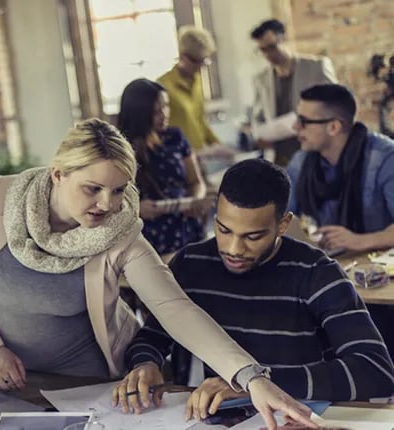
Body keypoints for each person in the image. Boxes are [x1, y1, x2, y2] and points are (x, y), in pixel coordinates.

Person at [0, 118, 316, 429]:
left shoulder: (121, 234)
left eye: (119, 189)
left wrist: (251, 377)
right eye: (93, 189)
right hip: (5, 379)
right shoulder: (0, 197)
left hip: (89, 389)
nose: (107, 204)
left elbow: (176, 309)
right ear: (58, 174)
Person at [115, 158, 394, 422]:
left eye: (253, 236)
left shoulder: (317, 272)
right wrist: (145, 365)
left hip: (296, 415)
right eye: (224, 230)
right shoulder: (191, 264)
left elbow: (376, 370)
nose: (234, 249)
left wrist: (256, 382)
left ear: (283, 224)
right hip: (222, 418)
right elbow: (151, 337)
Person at [286, 84, 394, 253]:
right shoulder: (300, 162)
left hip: (375, 269)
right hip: (322, 265)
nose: (295, 127)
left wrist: (360, 241)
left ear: (334, 127)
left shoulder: (385, 157)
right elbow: (283, 218)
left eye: (304, 121)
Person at [117, 78, 209, 255]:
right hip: (147, 236)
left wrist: (195, 200)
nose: (164, 114)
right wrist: (137, 210)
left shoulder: (175, 137)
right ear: (139, 113)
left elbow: (196, 182)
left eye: (166, 106)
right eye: (156, 111)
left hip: (186, 226)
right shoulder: (121, 149)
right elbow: (111, 201)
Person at [250, 19, 337, 166]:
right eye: (263, 50)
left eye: (272, 47)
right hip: (279, 159)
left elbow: (335, 104)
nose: (268, 55)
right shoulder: (261, 79)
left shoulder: (316, 67)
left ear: (285, 39)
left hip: (315, 155)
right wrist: (257, 135)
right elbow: (257, 117)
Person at [157, 26, 221, 153]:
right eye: (197, 61)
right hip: (179, 161)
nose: (200, 67)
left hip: (201, 158)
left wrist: (218, 145)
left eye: (204, 61)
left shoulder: (197, 81)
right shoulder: (163, 87)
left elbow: (200, 120)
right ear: (182, 56)